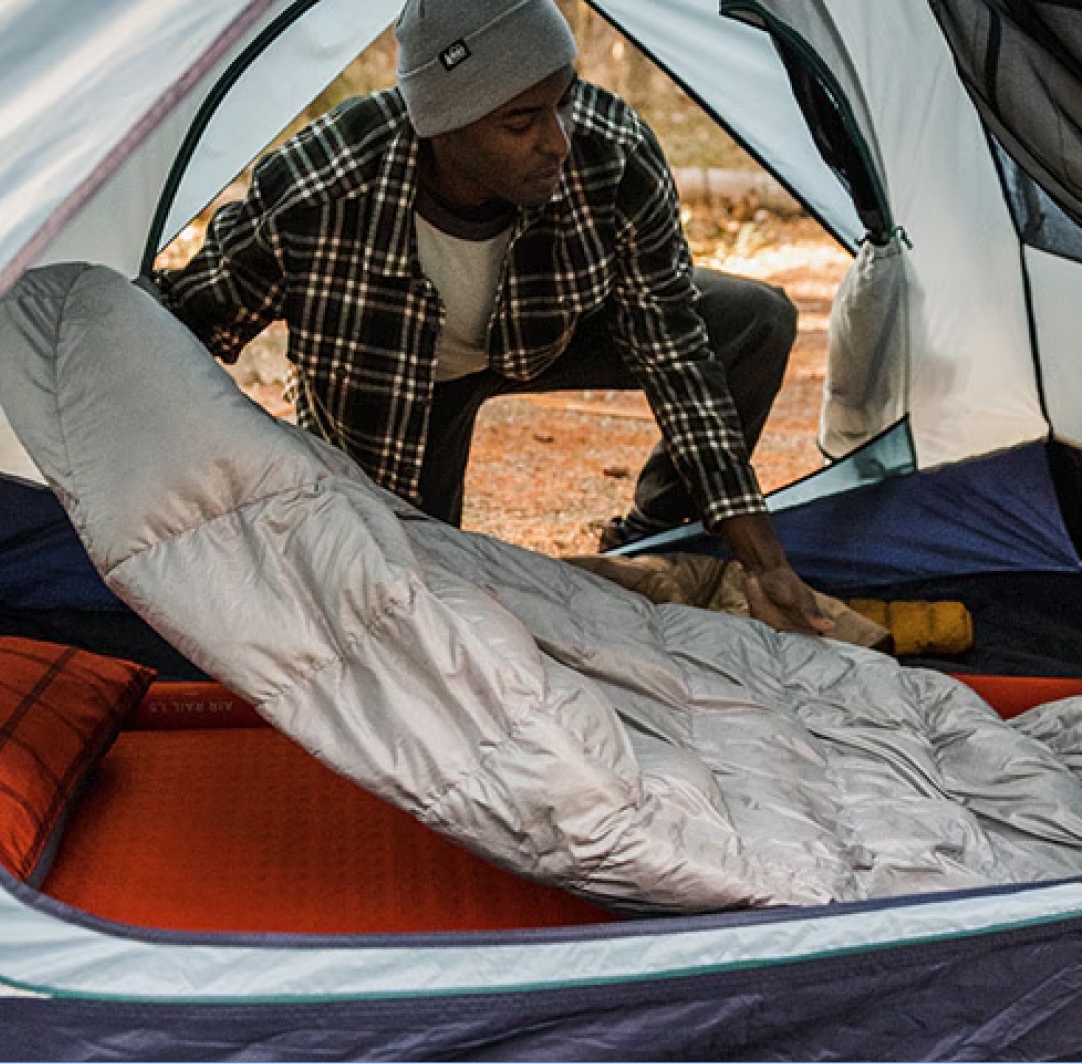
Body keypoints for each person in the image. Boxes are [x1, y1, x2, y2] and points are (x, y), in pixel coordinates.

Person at [155, 0, 829, 636]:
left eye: (563, 102)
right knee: (414, 593)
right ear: (442, 123)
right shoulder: (320, 190)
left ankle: (649, 533)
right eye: (520, 122)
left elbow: (673, 350)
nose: (557, 141)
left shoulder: (609, 154)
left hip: (553, 331)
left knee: (752, 320)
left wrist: (763, 559)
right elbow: (187, 330)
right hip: (407, 384)